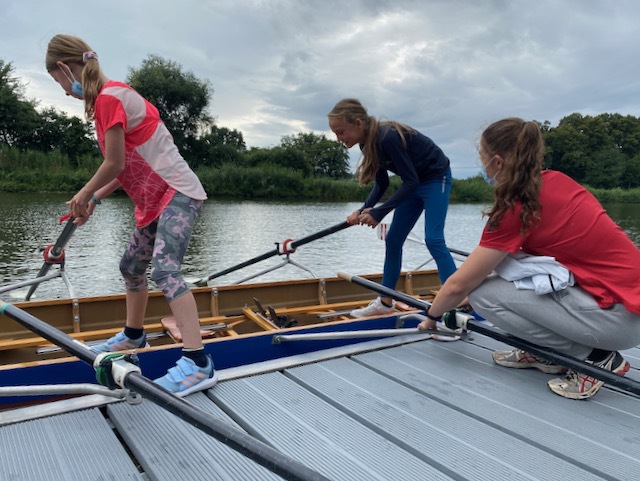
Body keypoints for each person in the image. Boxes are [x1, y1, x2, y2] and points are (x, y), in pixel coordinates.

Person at [419, 117, 640, 400]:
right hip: (626, 308)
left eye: (482, 158)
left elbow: (458, 284)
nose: (482, 167)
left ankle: (597, 358)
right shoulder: (557, 180)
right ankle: (546, 354)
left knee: (483, 295)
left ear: (497, 162)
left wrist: (431, 316)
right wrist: (464, 292)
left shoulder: (516, 207)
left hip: (620, 319)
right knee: (485, 286)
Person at [46, 34, 217, 397]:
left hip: (178, 192)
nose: (64, 91)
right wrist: (96, 199)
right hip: (153, 199)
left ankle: (198, 363)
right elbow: (125, 167)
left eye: (58, 81)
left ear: (64, 67)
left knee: (165, 270)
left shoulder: (110, 98)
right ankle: (134, 336)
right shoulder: (107, 100)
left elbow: (113, 162)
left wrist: (84, 193)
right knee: (131, 267)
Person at [328, 98, 457, 317]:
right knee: (393, 239)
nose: (339, 138)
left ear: (358, 123)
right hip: (413, 183)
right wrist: (363, 209)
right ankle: (385, 303)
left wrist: (378, 213)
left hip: (436, 179)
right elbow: (382, 183)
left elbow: (411, 181)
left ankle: (457, 300)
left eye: (341, 132)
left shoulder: (388, 137)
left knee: (433, 239)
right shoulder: (366, 143)